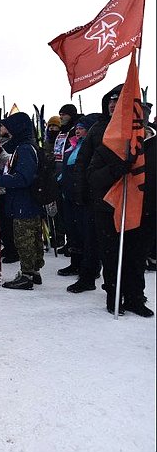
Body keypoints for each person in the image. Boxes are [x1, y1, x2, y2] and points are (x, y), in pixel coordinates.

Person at [86, 87, 153, 317]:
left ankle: (135, 298)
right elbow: (93, 178)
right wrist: (118, 167)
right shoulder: (108, 145)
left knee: (136, 258)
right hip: (110, 209)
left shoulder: (152, 144)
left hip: (145, 211)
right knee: (113, 255)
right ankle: (114, 296)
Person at [0, 112, 44, 289]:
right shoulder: (23, 147)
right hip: (25, 201)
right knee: (31, 236)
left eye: (8, 128)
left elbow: (23, 178)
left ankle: (27, 275)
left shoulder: (25, 149)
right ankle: (33, 271)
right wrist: (1, 175)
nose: (6, 132)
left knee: (24, 237)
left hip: (24, 201)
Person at [56, 114, 102, 293]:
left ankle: (90, 268)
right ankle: (75, 263)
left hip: (83, 196)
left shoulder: (91, 145)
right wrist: (59, 179)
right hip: (69, 194)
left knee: (86, 234)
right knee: (73, 231)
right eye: (77, 127)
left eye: (82, 127)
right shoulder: (73, 144)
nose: (78, 130)